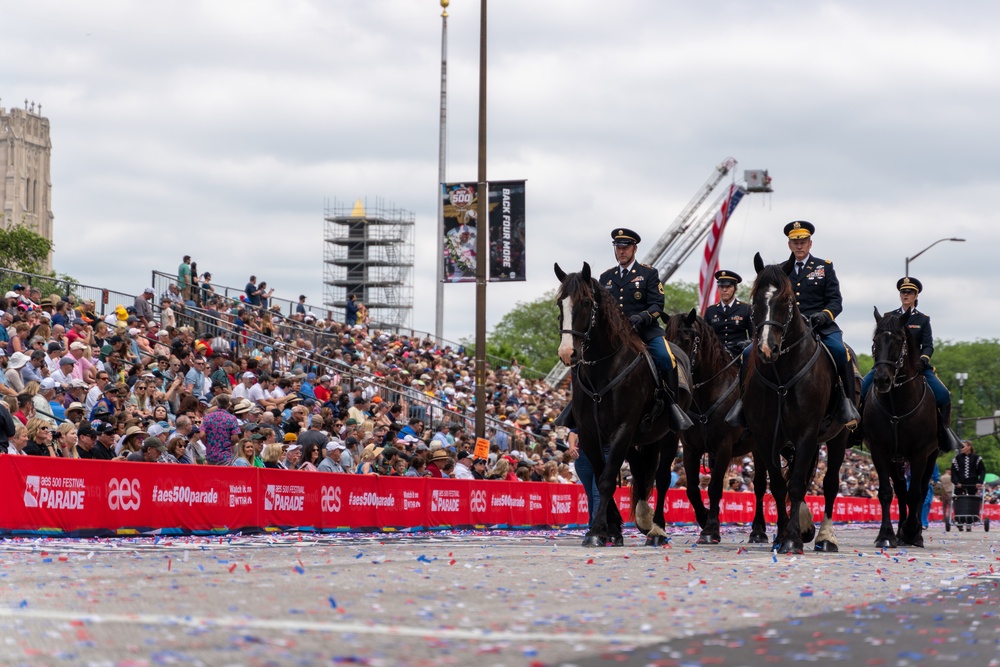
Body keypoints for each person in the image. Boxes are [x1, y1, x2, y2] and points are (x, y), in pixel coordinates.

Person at [728, 220, 859, 429]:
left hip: (819, 325)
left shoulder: (823, 267)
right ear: (789, 245)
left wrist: (824, 315)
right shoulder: (780, 271)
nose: (799, 245)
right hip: (786, 328)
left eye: (803, 241)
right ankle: (743, 404)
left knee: (840, 352)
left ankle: (848, 405)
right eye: (795, 242)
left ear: (810, 244)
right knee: (747, 355)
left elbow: (836, 301)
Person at [598, 228, 690, 431]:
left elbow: (658, 305)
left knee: (666, 357)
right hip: (614, 335)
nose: (621, 251)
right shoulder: (606, 278)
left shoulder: (648, 273)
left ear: (634, 249)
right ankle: (575, 408)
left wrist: (642, 317)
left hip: (645, 330)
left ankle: (673, 406)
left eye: (625, 247)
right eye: (618, 247)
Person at [856, 277, 960, 452]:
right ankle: (856, 430)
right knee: (861, 390)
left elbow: (928, 345)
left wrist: (923, 360)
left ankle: (944, 433)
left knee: (944, 395)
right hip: (887, 365)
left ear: (916, 295)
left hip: (916, 367)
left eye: (909, 292)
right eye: (903, 292)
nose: (906, 295)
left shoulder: (923, 320)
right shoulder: (889, 317)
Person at [703, 270, 752, 358]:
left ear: (735, 289)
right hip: (716, 356)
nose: (724, 290)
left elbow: (755, 335)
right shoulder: (710, 311)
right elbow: (705, 336)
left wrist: (747, 343)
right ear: (718, 288)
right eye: (721, 287)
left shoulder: (746, 309)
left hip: (739, 354)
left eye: (728, 286)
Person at [950, 440, 985, 529]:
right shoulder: (957, 458)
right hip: (960, 483)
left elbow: (982, 471)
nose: (961, 449)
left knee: (971, 501)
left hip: (972, 484)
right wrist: (956, 482)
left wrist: (979, 482)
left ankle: (969, 522)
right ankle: (959, 521)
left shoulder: (977, 458)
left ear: (969, 447)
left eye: (963, 446)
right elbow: (953, 472)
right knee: (959, 501)